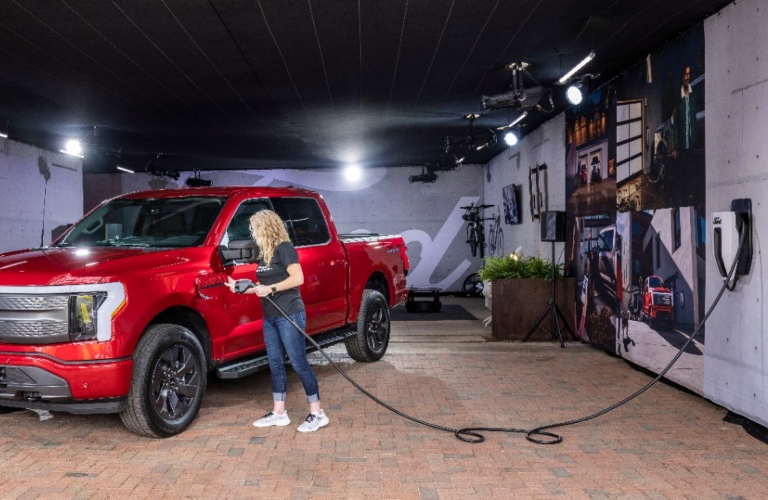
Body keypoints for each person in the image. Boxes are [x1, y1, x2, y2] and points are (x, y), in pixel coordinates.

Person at [226, 210, 329, 433]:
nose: (253, 233)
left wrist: (270, 288)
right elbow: (264, 285)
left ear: (266, 227)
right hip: (271, 317)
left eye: (255, 228)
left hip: (289, 314)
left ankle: (317, 413)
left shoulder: (284, 248)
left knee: (299, 362)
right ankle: (279, 413)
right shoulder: (265, 253)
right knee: (274, 363)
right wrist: (242, 288)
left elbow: (297, 278)